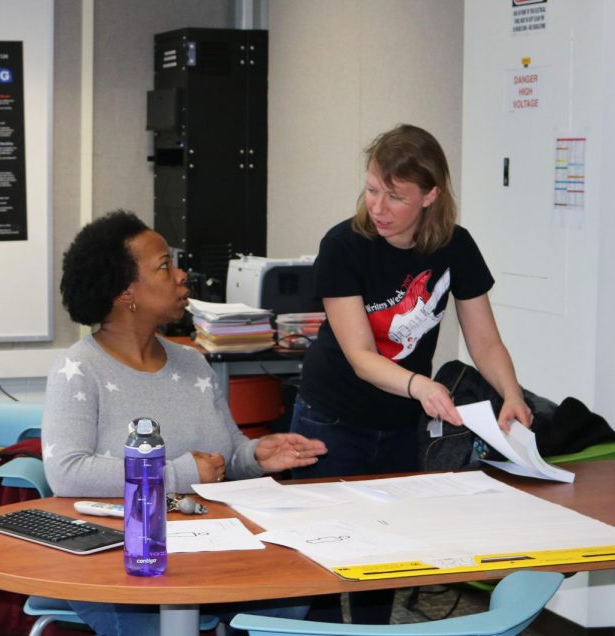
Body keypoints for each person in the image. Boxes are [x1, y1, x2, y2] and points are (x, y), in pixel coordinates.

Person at [290, 124, 532, 624]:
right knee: (316, 559)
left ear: (431, 196)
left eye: (395, 197)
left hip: (400, 423)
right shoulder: (343, 245)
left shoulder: (456, 247)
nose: (378, 207)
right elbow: (360, 355)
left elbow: (484, 340)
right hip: (332, 417)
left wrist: (512, 394)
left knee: (384, 561)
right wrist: (419, 383)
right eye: (373, 189)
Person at [42, 210, 326, 635]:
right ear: (125, 291)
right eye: (164, 267)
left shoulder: (192, 363)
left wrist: (257, 456)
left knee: (296, 596)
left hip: (210, 546)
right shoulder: (80, 370)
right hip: (119, 559)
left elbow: (225, 454)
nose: (181, 275)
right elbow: (66, 473)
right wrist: (177, 473)